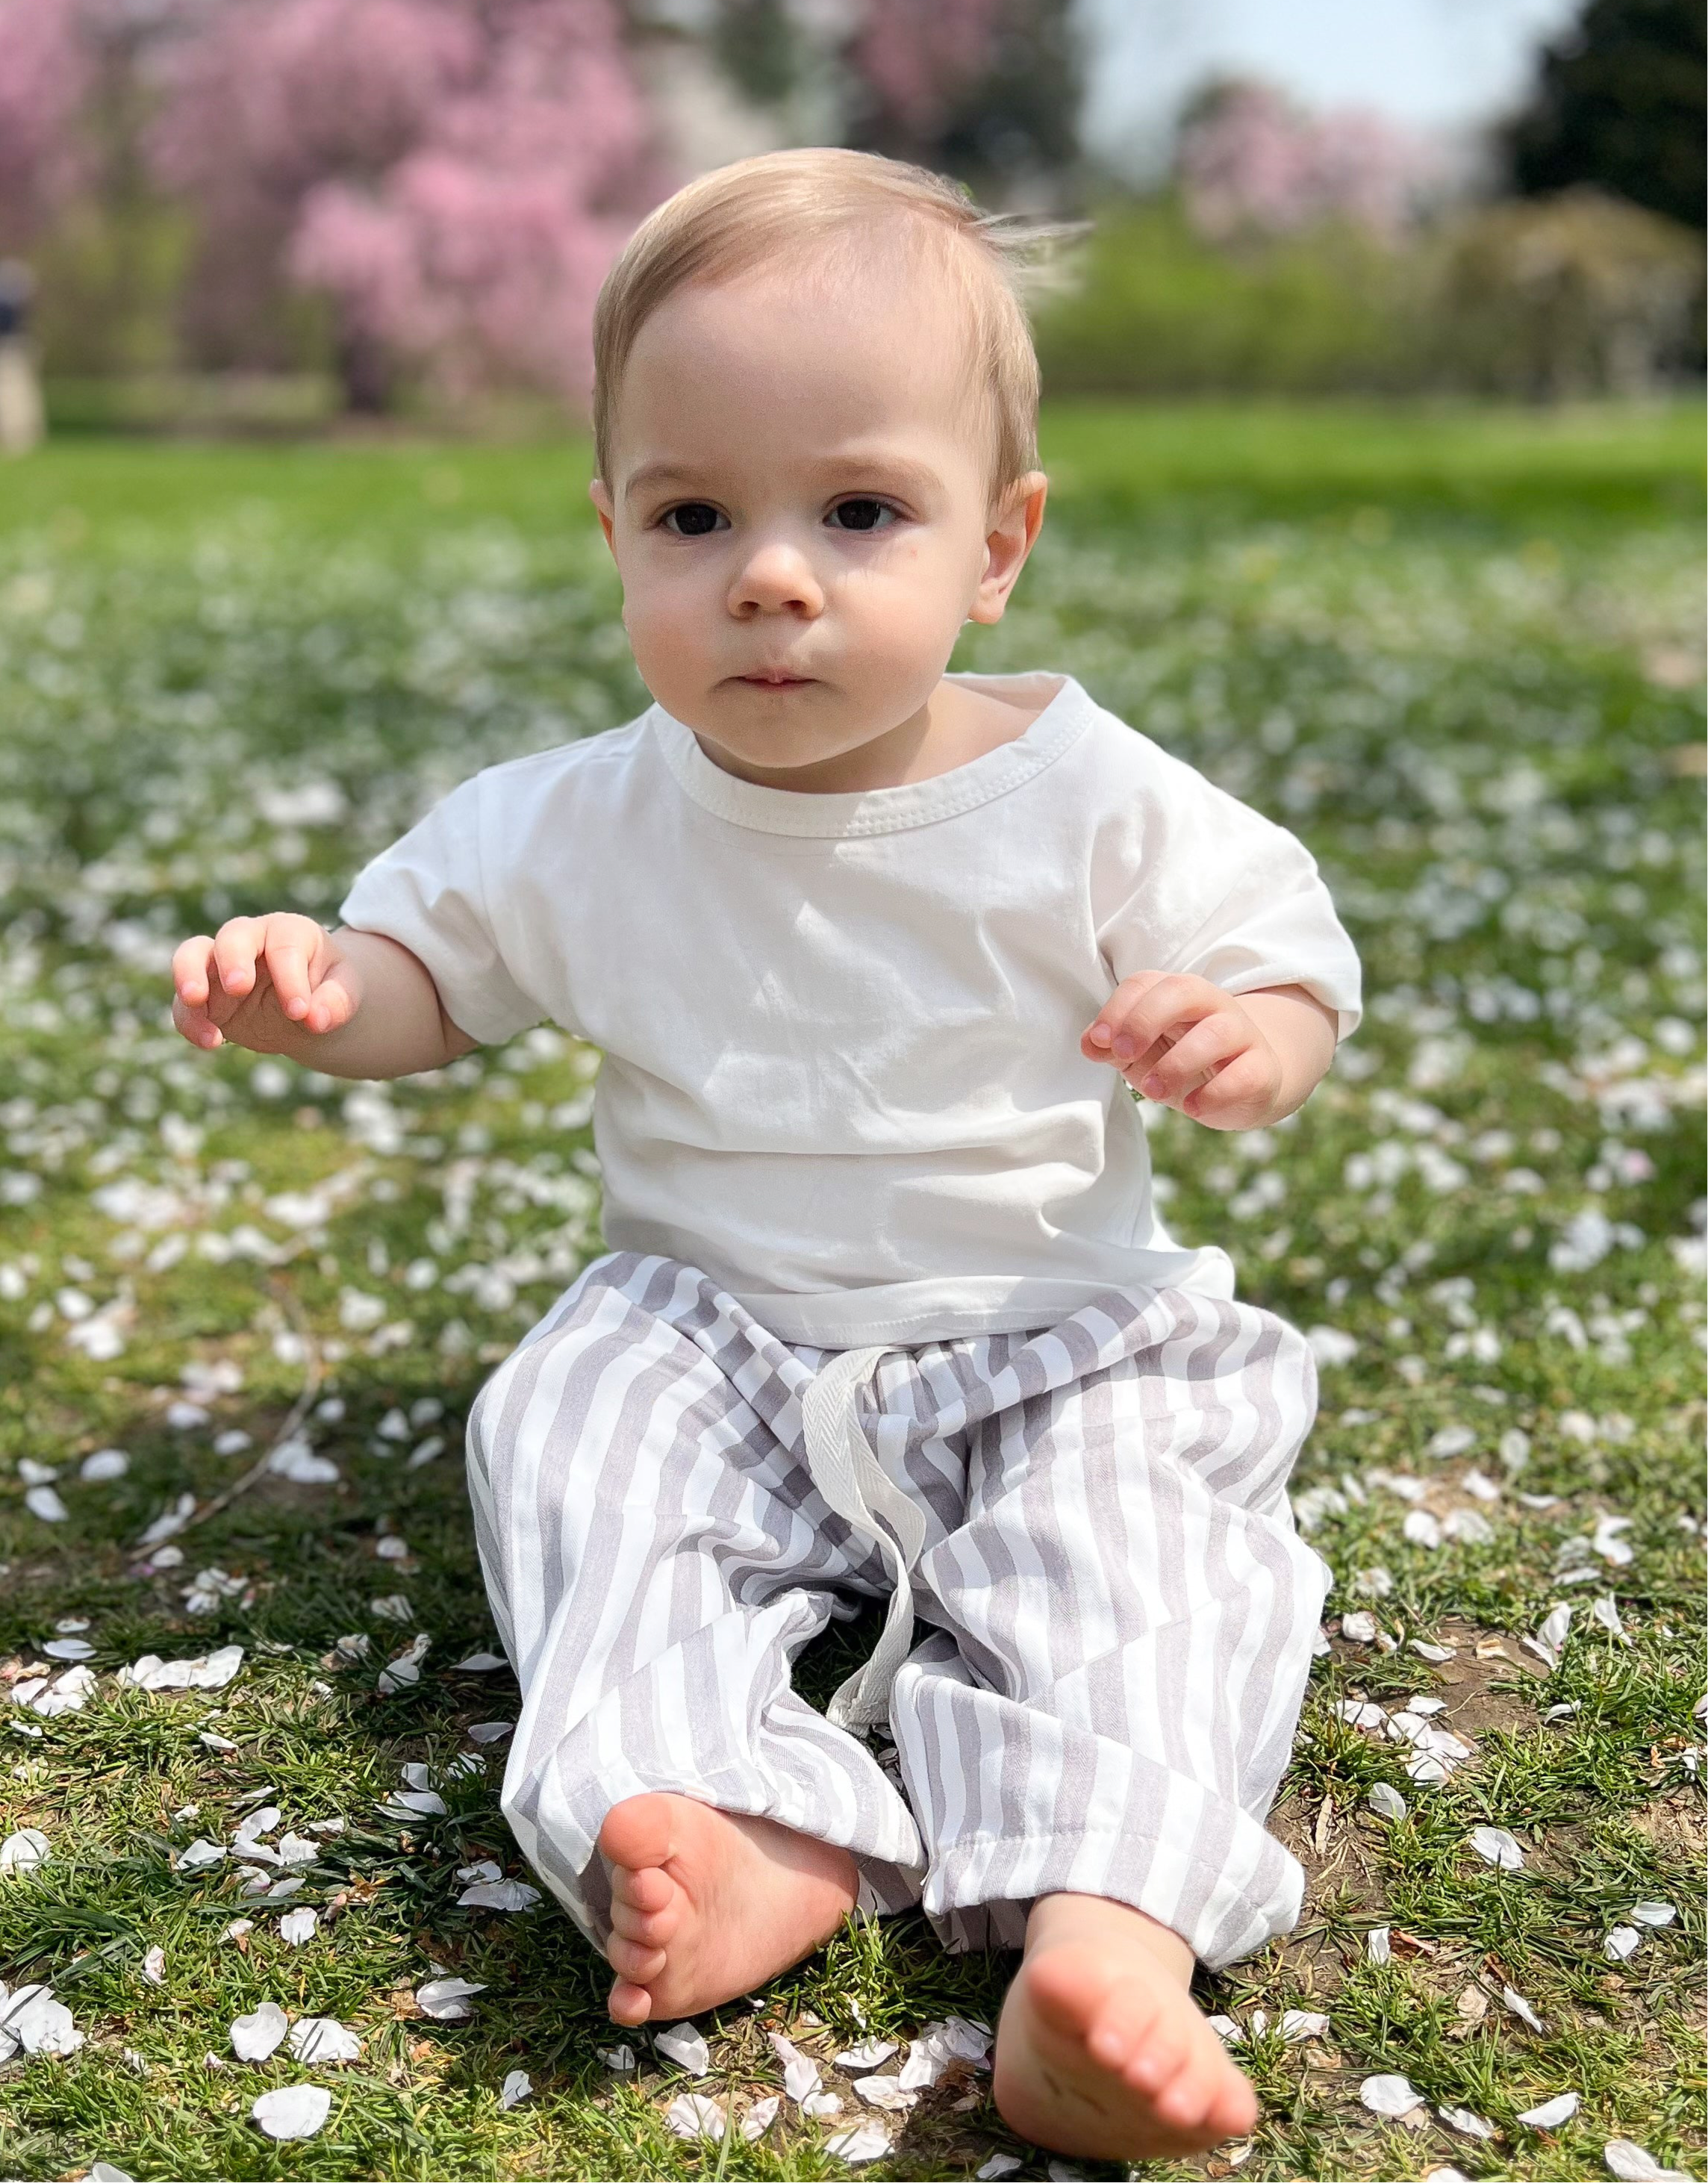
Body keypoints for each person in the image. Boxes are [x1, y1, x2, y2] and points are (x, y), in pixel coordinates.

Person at [169, 148, 1360, 2164]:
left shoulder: (1093, 798)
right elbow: (429, 980)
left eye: (860, 511)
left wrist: (1252, 1037)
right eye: (696, 514)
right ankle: (731, 1816)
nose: (771, 576)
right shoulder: (574, 819)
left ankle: (1107, 1935)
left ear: (1001, 543)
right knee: (577, 1446)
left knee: (1153, 1566)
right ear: (614, 531)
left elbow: (1280, 959)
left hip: (1056, 1331)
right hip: (715, 1334)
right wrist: (323, 983)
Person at [0, 261, 45, 457]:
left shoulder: (10, 306)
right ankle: (19, 438)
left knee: (15, 396)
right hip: (14, 350)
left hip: (12, 351)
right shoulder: (11, 304)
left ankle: (19, 438)